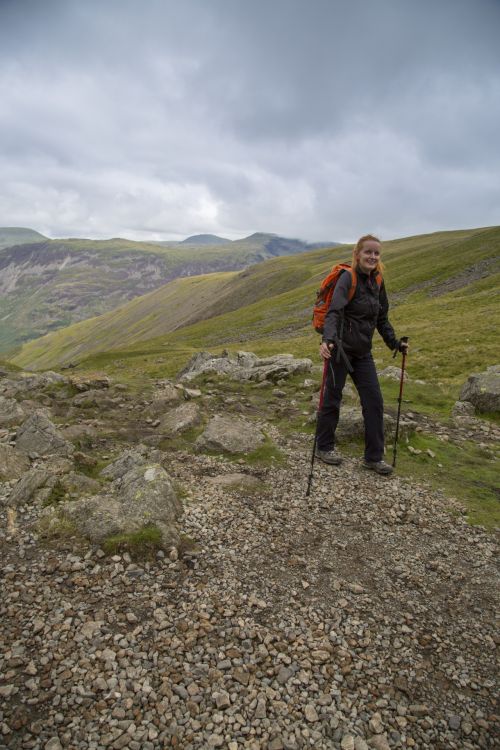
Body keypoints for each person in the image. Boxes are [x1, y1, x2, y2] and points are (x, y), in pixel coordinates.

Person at [315, 234, 408, 475]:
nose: (373, 257)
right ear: (357, 254)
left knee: (374, 402)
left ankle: (373, 458)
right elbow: (334, 312)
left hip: (363, 353)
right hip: (340, 351)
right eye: (368, 252)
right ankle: (324, 447)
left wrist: (395, 343)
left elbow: (381, 318)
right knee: (332, 400)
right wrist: (327, 340)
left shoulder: (378, 281)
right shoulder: (349, 278)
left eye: (377, 253)